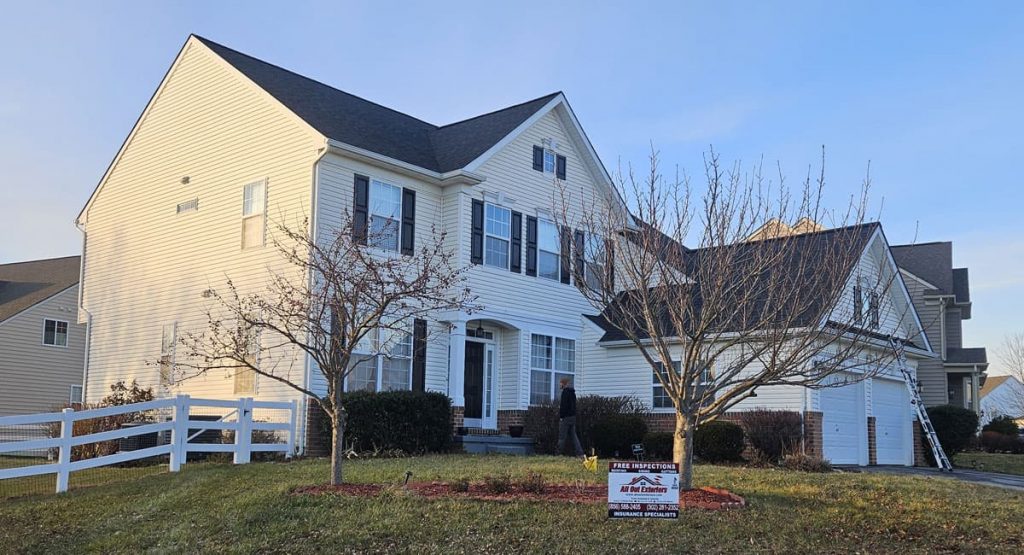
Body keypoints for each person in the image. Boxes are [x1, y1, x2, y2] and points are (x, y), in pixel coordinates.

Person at [557, 377, 584, 457]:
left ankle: (558, 453)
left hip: (565, 418)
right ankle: (580, 453)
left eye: (560, 383)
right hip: (573, 417)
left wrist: (562, 416)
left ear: (563, 384)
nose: (560, 385)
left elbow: (563, 406)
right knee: (573, 436)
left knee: (562, 437)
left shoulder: (565, 392)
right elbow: (574, 406)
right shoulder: (572, 393)